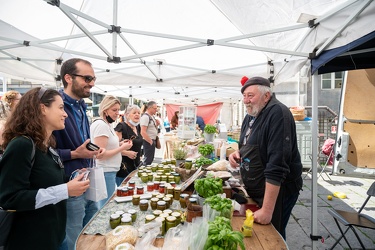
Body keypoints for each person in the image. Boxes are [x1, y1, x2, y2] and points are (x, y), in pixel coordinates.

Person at [0, 87, 90, 250]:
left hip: (54, 237)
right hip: (31, 241)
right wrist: (65, 190)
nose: (66, 114)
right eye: (61, 108)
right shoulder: (22, 145)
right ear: (43, 108)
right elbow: (10, 198)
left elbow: (48, 182)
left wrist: (73, 180)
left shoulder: (46, 145)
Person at [228, 76, 303, 239]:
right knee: (257, 234)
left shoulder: (278, 114)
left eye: (250, 96)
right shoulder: (251, 115)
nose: (246, 101)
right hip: (258, 187)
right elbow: (247, 144)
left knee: (273, 235)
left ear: (266, 96)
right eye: (244, 96)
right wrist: (238, 153)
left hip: (279, 190)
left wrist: (267, 210)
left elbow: (277, 164)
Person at [52, 58, 105, 250]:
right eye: (87, 78)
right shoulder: (55, 107)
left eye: (93, 78)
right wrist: (74, 154)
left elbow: (82, 143)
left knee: (89, 234)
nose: (92, 83)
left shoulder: (82, 106)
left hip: (87, 179)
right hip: (69, 184)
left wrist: (94, 150)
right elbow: (44, 151)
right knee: (72, 239)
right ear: (68, 78)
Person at [90, 95, 133, 207]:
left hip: (109, 171)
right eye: (114, 110)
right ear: (105, 110)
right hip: (105, 171)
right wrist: (122, 148)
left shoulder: (107, 125)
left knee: (106, 203)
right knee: (105, 206)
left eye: (118, 110)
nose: (117, 113)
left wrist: (120, 144)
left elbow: (107, 146)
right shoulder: (101, 125)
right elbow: (101, 155)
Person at [114, 105, 143, 186]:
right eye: (134, 113)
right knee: (123, 192)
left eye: (139, 113)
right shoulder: (121, 126)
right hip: (124, 167)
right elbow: (113, 146)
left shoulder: (137, 127)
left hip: (135, 165)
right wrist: (127, 153)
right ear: (127, 115)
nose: (137, 115)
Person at [140, 101, 159, 165]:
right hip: (148, 141)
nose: (156, 110)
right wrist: (150, 141)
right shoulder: (145, 117)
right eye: (155, 108)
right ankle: (144, 172)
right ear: (149, 108)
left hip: (151, 140)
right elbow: (143, 132)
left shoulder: (151, 116)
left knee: (150, 159)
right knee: (147, 160)